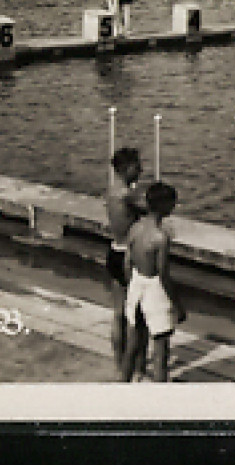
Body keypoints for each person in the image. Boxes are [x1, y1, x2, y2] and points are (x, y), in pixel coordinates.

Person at [120, 181, 187, 383]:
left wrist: (130, 289)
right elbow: (163, 275)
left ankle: (120, 385)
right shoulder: (161, 237)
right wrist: (178, 305)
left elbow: (127, 263)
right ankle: (159, 397)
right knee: (161, 351)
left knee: (133, 345)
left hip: (136, 284)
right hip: (154, 289)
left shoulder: (135, 228)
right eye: (172, 203)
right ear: (164, 205)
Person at [104, 147, 148, 375]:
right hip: (130, 257)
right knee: (138, 315)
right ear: (127, 168)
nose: (141, 169)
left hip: (114, 249)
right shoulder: (128, 195)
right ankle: (138, 367)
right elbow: (151, 207)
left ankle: (120, 362)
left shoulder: (112, 191)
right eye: (137, 166)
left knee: (119, 312)